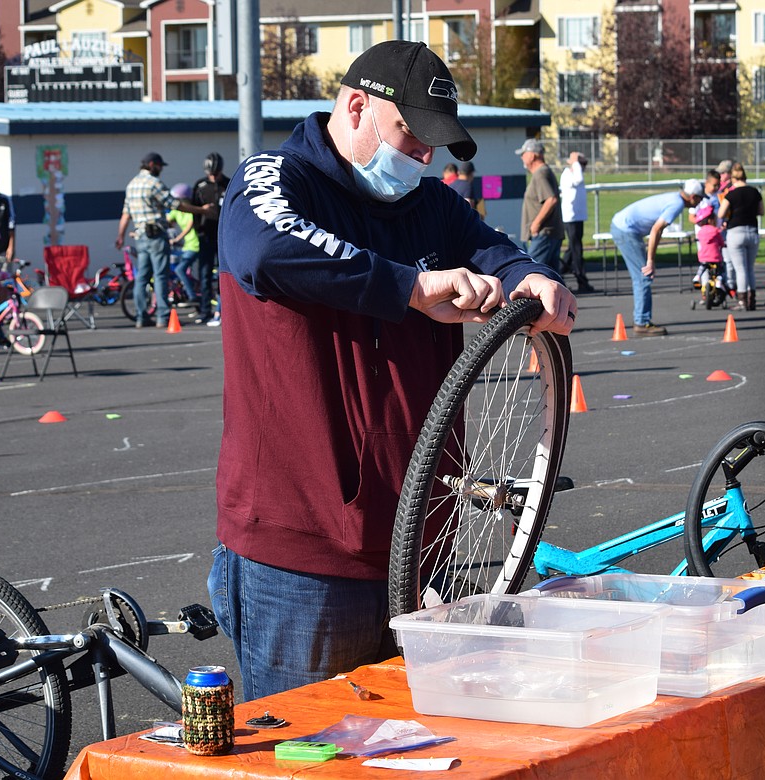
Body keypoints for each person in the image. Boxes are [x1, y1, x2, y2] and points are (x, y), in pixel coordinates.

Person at [206, 39, 576, 701]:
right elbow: (261, 248)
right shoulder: (275, 178)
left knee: (417, 750)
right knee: (307, 757)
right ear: (355, 108)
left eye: (434, 145)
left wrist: (536, 281)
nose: (424, 158)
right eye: (412, 136)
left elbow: (499, 252)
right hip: (302, 561)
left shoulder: (432, 206)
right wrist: (410, 287)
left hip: (420, 551)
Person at [116, 153, 211, 328]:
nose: (161, 170)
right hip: (157, 235)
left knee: (142, 278)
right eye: (160, 166)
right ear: (152, 164)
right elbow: (176, 205)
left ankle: (141, 316)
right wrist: (201, 210)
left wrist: (120, 236)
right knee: (160, 276)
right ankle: (163, 316)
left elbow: (125, 214)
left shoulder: (132, 185)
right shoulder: (153, 183)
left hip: (141, 236)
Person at [609, 179, 704, 336]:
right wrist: (650, 260)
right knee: (644, 275)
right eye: (700, 199)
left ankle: (641, 319)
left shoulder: (675, 198)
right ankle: (642, 322)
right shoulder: (677, 204)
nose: (700, 203)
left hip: (624, 226)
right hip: (625, 230)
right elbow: (656, 230)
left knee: (642, 276)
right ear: (693, 197)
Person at [716, 162, 763, 311]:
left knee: (740, 269)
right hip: (752, 231)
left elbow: (721, 214)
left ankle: (743, 301)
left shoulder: (731, 194)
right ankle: (752, 299)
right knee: (750, 268)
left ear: (733, 179)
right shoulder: (754, 192)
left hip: (736, 232)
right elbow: (761, 211)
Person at [190, 152, 229, 325]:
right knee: (204, 275)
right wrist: (199, 231)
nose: (212, 176)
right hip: (205, 236)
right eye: (210, 173)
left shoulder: (228, 184)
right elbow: (194, 210)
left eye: (215, 173)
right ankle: (205, 310)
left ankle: (224, 310)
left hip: (223, 237)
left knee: (225, 275)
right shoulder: (200, 185)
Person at [516, 138, 562, 273]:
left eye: (523, 154)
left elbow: (551, 199)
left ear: (532, 155)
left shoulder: (541, 173)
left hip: (543, 233)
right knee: (550, 276)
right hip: (547, 233)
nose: (522, 157)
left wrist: (535, 224)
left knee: (532, 272)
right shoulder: (542, 172)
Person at [559, 152, 594, 293]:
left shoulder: (573, 174)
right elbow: (578, 178)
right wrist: (575, 162)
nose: (583, 167)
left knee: (572, 249)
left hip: (577, 217)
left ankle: (559, 272)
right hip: (571, 217)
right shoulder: (568, 174)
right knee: (576, 249)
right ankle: (582, 281)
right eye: (581, 164)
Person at [167, 183, 201, 302]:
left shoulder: (191, 211)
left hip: (195, 245)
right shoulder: (176, 211)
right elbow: (166, 221)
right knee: (178, 269)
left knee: (179, 270)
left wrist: (177, 239)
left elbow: (189, 227)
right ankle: (191, 290)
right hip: (186, 246)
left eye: (178, 200)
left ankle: (192, 296)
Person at [691, 201, 726, 306]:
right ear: (711, 220)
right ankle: (719, 280)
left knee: (703, 267)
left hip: (704, 257)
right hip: (715, 257)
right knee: (720, 270)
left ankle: (697, 276)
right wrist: (723, 244)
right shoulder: (716, 231)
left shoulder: (700, 232)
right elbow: (721, 242)